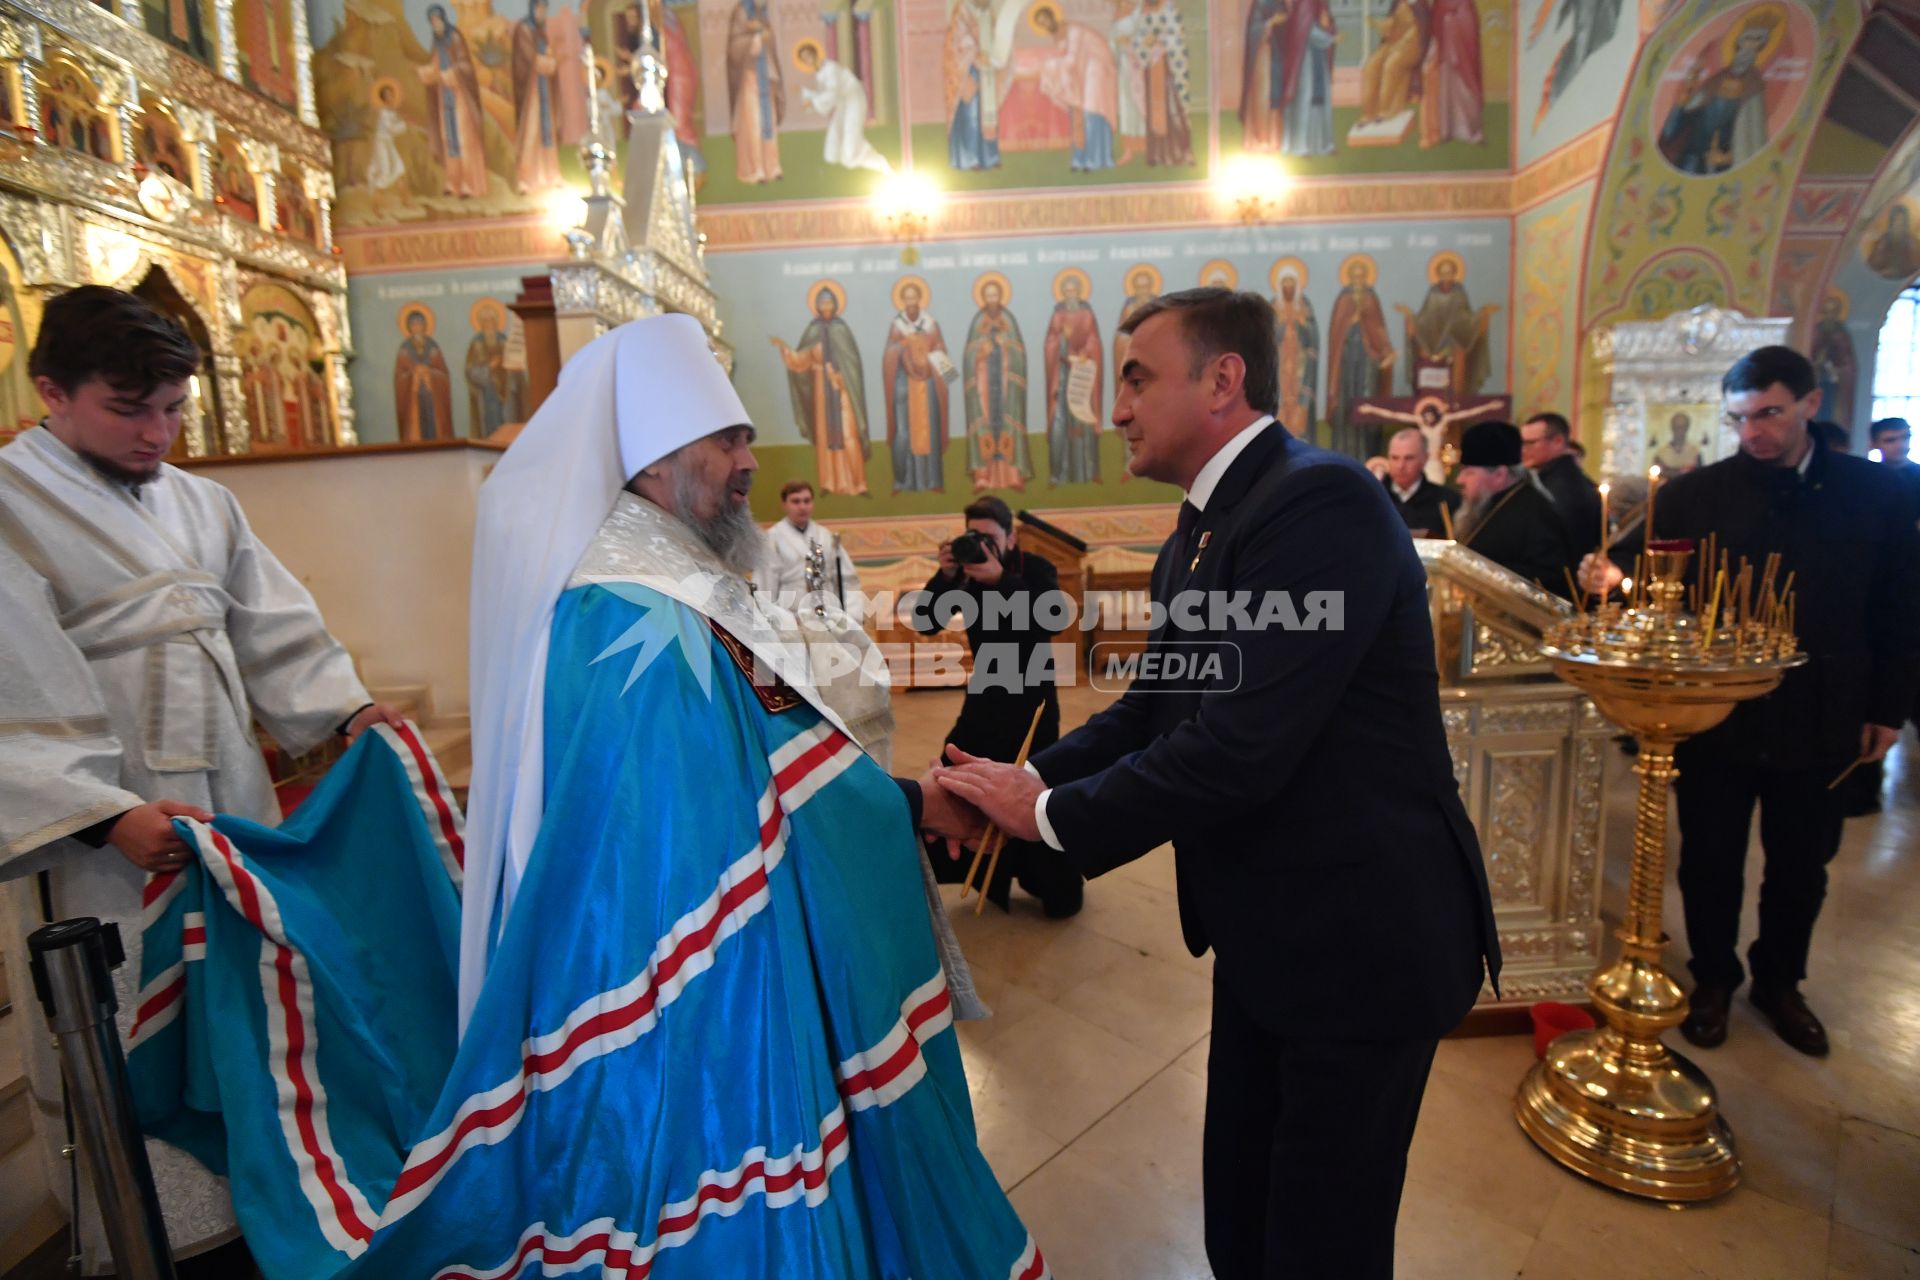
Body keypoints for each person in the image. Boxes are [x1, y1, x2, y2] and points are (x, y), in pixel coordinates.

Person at [453, 313, 1046, 1278]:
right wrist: (912, 807)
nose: (749, 460)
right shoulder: (627, 600)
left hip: (734, 938)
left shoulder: (666, 569)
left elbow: (769, 734)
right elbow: (751, 780)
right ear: (652, 460)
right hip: (690, 976)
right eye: (727, 439)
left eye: (746, 436)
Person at [933, 288, 1498, 1280]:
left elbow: (1237, 747)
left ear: (1223, 379)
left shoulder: (1318, 504)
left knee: (1319, 1243)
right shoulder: (1198, 532)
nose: (1116, 406)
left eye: (1139, 377)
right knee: (1240, 1218)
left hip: (1361, 939)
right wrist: (1020, 783)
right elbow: (1154, 711)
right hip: (1269, 932)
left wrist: (1050, 816)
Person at [0, 286, 403, 1273]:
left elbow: (273, 623)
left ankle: (260, 1218)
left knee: (242, 1018)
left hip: (229, 813)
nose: (158, 432)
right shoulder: (9, 503)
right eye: (129, 407)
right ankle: (150, 1241)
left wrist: (346, 711)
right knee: (127, 1031)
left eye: (174, 408)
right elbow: (11, 682)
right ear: (50, 389)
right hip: (107, 843)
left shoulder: (201, 499)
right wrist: (105, 815)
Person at [1579, 347, 1920, 1056]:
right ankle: (1712, 979)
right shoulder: (1693, 494)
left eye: (1768, 413)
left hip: (1822, 707)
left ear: (1808, 404)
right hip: (1717, 713)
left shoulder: (1876, 494)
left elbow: (1899, 606)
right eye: (1738, 418)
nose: (1753, 432)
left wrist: (1888, 708)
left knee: (1802, 861)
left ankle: (1780, 982)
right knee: (1709, 857)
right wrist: (1612, 580)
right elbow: (1648, 580)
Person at [908, 496, 1081, 917]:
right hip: (984, 700)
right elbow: (925, 622)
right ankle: (954, 870)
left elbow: (1052, 619)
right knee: (958, 782)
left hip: (1032, 702)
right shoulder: (964, 575)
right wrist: (946, 575)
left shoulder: (1035, 568)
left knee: (1032, 794)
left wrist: (1001, 578)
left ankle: (1052, 888)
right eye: (973, 536)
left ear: (1010, 537)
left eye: (989, 538)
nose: (980, 546)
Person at [1453, 419, 1576, 594]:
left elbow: (1551, 577)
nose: (1460, 480)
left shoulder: (1536, 512)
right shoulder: (1488, 504)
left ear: (1499, 475)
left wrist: (1484, 572)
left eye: (1469, 472)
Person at [774, 286, 870, 495]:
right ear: (817, 306)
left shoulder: (842, 329)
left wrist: (841, 377)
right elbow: (801, 361)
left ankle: (858, 483)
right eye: (822, 303)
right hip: (821, 390)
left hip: (842, 389)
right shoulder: (813, 330)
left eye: (829, 302)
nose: (826, 307)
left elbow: (852, 364)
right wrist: (786, 351)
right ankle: (828, 483)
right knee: (825, 435)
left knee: (849, 434)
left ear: (835, 304)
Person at [755, 478, 865, 622]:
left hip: (829, 614)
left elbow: (847, 580)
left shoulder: (825, 536)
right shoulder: (773, 538)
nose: (802, 507)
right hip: (791, 617)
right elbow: (765, 585)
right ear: (784, 505)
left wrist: (852, 616)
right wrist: (770, 620)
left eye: (807, 501)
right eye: (796, 501)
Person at [417, 5, 488, 198]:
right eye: (432, 21)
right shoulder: (437, 42)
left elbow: (466, 65)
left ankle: (469, 183)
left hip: (460, 97)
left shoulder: (455, 37)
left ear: (443, 19)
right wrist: (427, 72)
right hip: (444, 97)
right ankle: (453, 181)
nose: (435, 24)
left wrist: (453, 73)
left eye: (437, 20)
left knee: (463, 139)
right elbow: (435, 65)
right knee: (450, 140)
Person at [1522, 410, 1601, 556]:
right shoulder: (1561, 478)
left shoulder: (1563, 486)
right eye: (1522, 443)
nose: (1523, 450)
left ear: (1557, 442)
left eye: (1530, 443)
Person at [725, 0, 784, 183]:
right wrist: (755, 39)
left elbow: (770, 40)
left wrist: (766, 35)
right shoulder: (741, 11)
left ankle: (772, 167)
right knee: (752, 124)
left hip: (766, 76)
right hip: (749, 77)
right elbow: (734, 46)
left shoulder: (763, 12)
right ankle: (753, 170)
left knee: (769, 124)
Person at [510, 0, 564, 194]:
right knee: (531, 133)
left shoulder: (541, 31)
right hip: (531, 94)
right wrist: (548, 62)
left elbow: (544, 57)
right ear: (533, 9)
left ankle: (551, 175)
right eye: (539, 9)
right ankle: (526, 179)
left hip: (544, 91)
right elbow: (527, 57)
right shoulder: (524, 29)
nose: (542, 13)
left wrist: (552, 60)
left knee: (547, 134)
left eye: (544, 9)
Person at [1383, 426, 1460, 537]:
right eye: (1395, 458)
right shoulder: (1373, 498)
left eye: (1409, 458)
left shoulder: (1448, 502)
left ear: (1425, 458)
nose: (1400, 466)